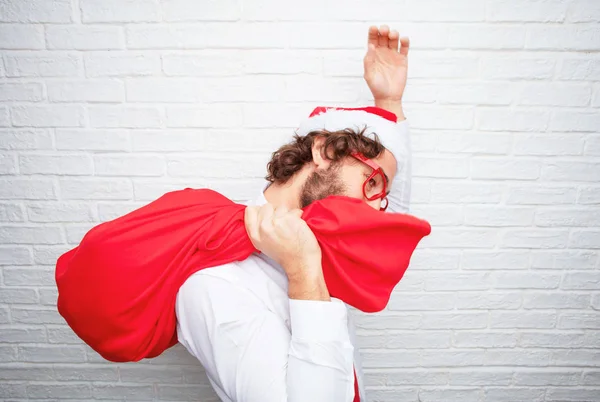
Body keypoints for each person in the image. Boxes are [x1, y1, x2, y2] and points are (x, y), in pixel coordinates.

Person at [175, 25, 412, 402]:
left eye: (383, 197)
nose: (377, 207)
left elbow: (394, 223)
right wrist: (303, 272)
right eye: (374, 184)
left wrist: (390, 106)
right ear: (324, 151)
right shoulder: (216, 286)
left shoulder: (329, 242)